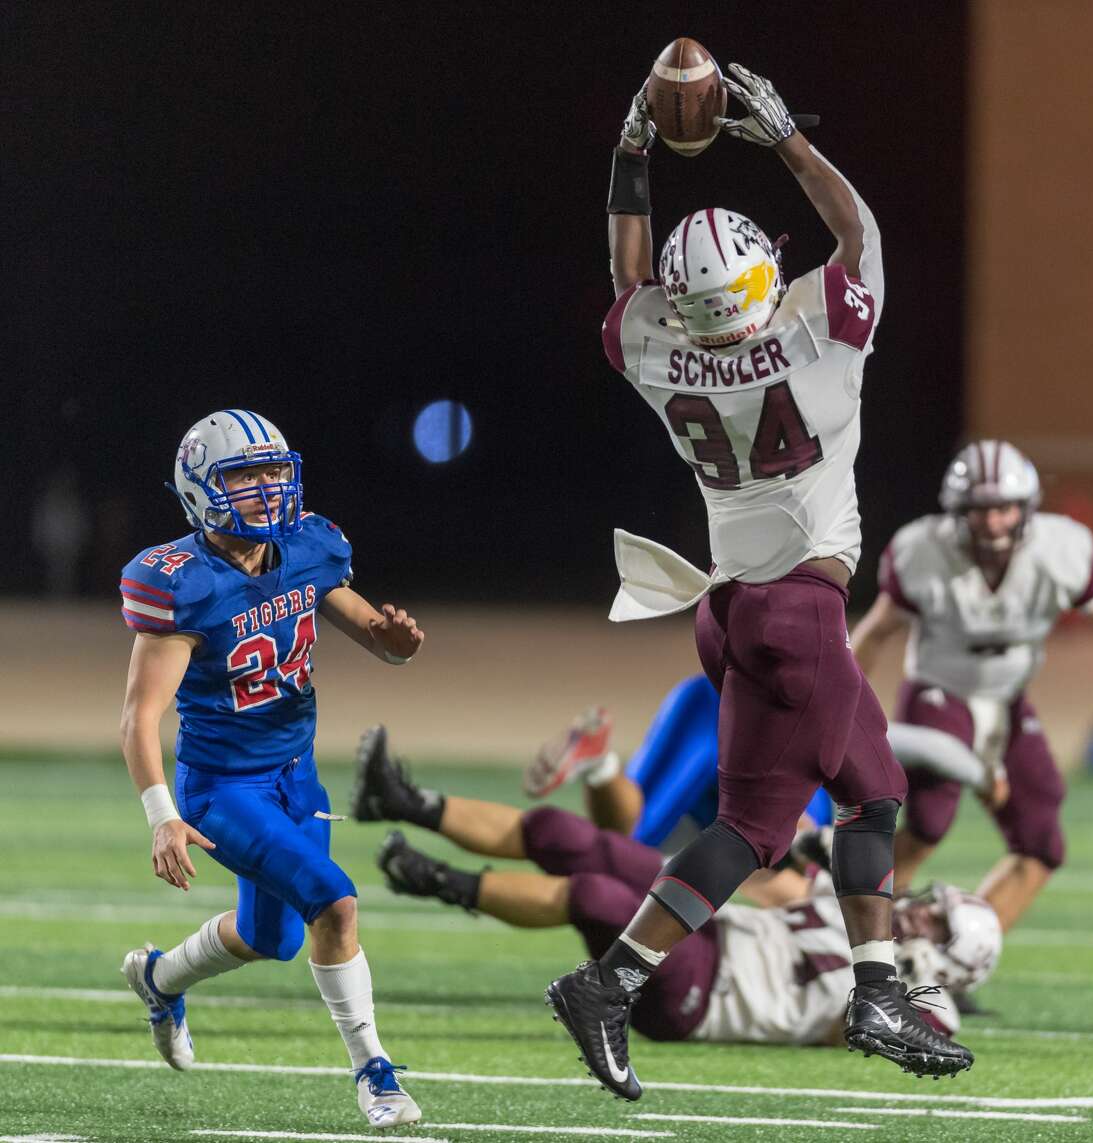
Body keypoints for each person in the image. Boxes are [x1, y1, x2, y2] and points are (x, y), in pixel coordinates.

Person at [538, 64, 973, 1101]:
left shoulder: (656, 348)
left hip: (732, 605)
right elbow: (858, 232)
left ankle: (868, 993)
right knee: (773, 827)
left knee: (852, 798)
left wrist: (632, 151)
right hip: (799, 618)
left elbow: (626, 277)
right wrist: (786, 139)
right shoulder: (816, 337)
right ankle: (616, 983)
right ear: (760, 282)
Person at [117, 409, 425, 1129]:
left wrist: (394, 641)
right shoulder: (184, 582)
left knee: (273, 939)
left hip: (295, 777)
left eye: (272, 472)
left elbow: (373, 635)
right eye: (244, 476)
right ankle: (374, 1073)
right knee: (335, 901)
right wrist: (163, 816)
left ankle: (159, 979)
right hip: (223, 790)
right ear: (200, 489)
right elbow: (138, 717)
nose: (266, 489)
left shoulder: (308, 547)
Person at [350, 737, 1001, 1049]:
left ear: (953, 964)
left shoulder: (924, 997)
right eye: (931, 904)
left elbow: (874, 1030)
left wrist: (905, 976)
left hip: (704, 997)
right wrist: (809, 851)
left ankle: (439, 881)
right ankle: (406, 801)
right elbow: (798, 868)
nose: (920, 912)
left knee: (597, 896)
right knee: (572, 838)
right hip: (713, 931)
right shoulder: (865, 915)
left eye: (936, 924)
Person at [852, 440, 1093, 931]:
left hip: (1009, 698)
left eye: (1004, 508)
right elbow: (875, 632)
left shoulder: (1060, 550)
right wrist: (843, 702)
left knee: (1042, 843)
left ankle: (960, 951)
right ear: (957, 511)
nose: (992, 522)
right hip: (939, 689)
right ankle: (865, 934)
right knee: (928, 821)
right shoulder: (923, 550)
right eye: (979, 509)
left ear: (1026, 508)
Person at [522, 681, 834, 849]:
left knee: (627, 838)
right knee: (803, 854)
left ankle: (600, 766)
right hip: (775, 726)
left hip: (707, 697)